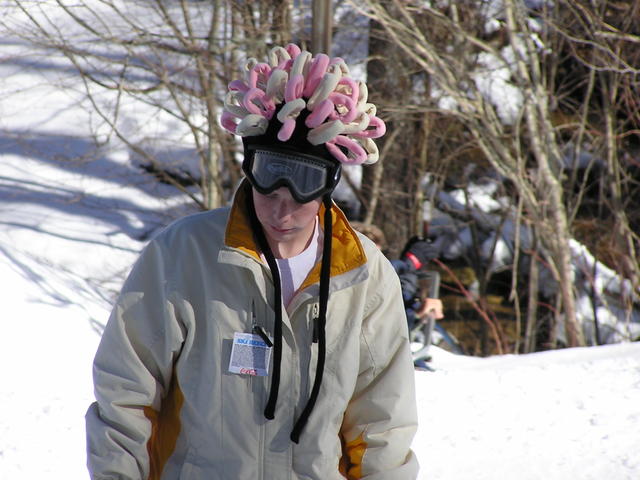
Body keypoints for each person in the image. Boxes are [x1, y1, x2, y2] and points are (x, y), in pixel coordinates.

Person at [85, 44, 419, 479]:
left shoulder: (363, 274)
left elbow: (382, 423)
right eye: (268, 191)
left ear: (329, 185)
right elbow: (125, 399)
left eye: (301, 192)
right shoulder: (182, 255)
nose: (282, 212)